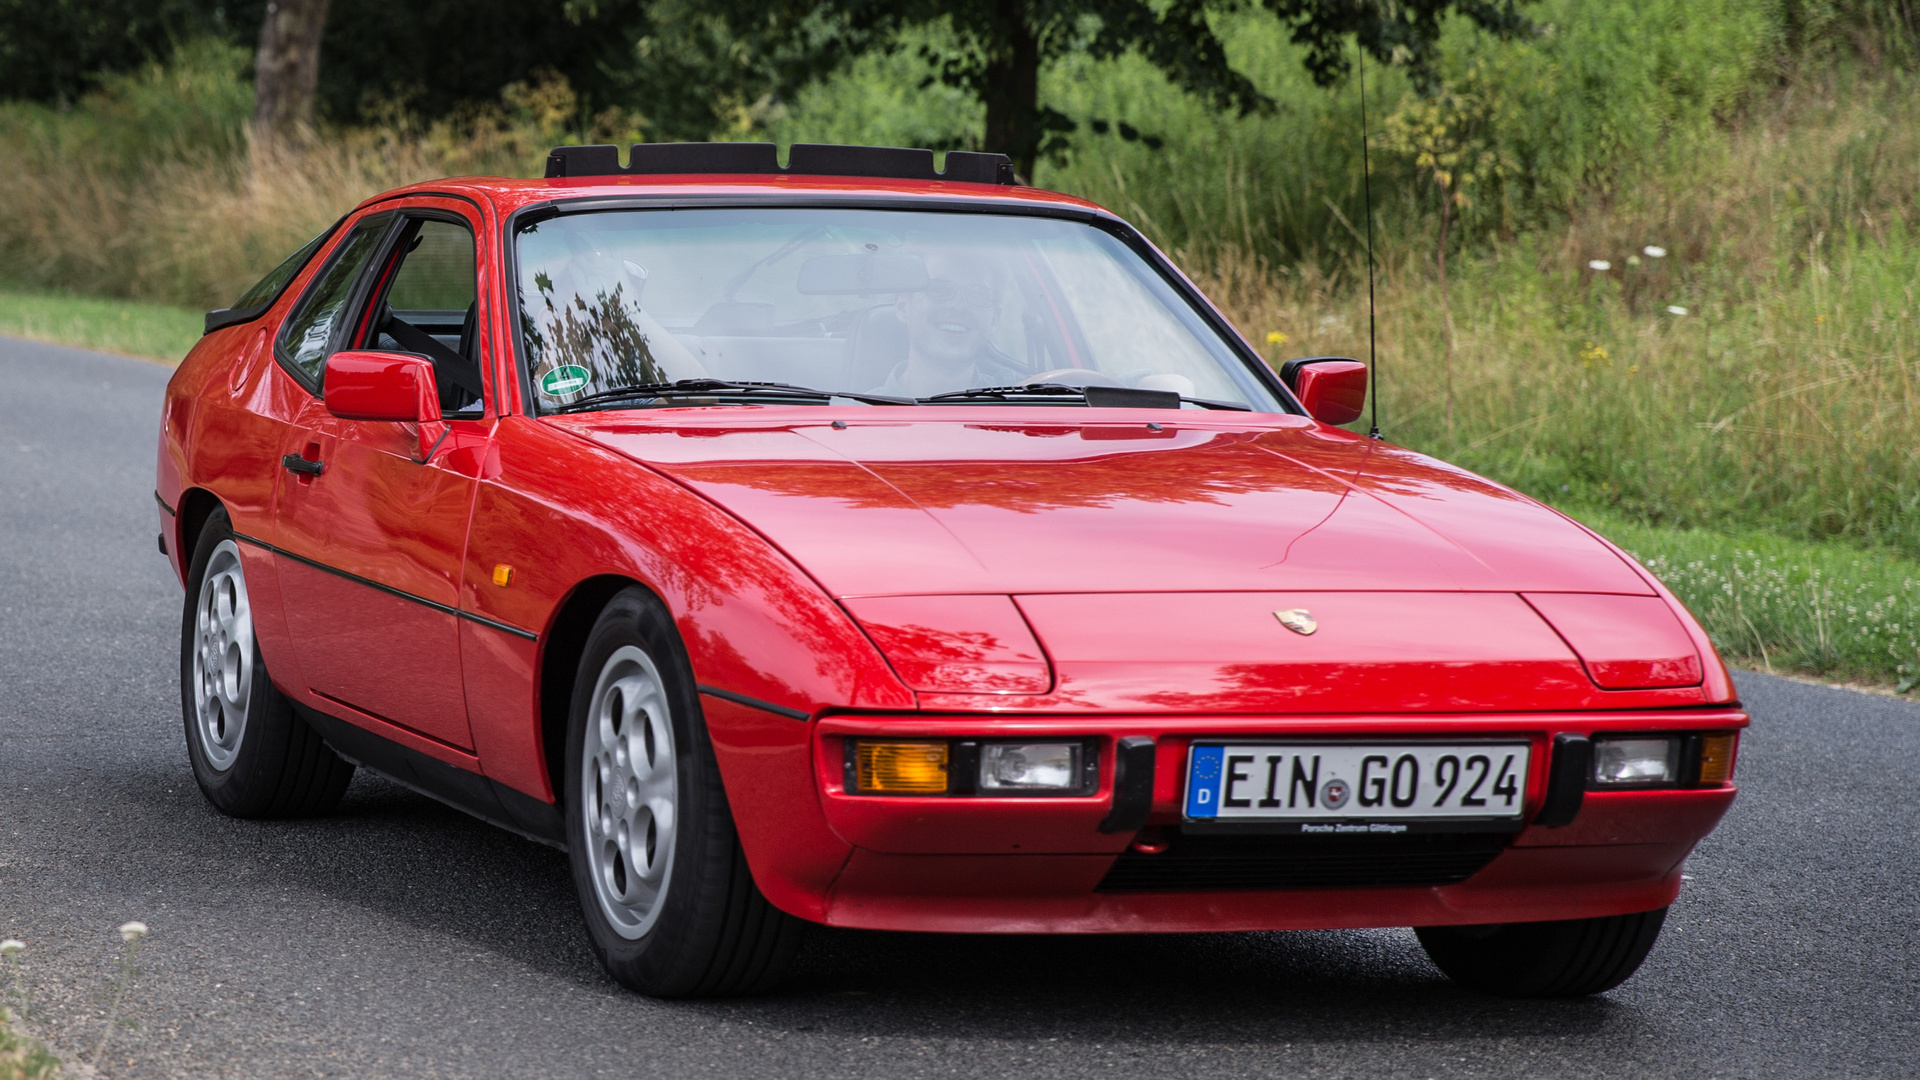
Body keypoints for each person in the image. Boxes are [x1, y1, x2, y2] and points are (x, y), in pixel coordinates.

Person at [870, 249, 1024, 398]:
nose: (957, 306)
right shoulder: (853, 414)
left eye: (977, 294)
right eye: (939, 290)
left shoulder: (1028, 399)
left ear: (994, 319)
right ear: (902, 306)